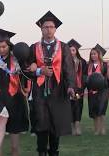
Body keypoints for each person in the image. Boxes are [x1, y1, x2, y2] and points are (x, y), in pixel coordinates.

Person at [29, 11, 75, 156]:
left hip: (58, 89)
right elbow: (27, 70)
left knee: (56, 123)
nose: (48, 29)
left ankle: (54, 151)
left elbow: (69, 69)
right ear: (41, 29)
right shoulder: (33, 47)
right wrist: (39, 71)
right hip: (39, 90)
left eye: (51, 27)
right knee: (41, 122)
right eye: (45, 27)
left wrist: (71, 86)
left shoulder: (64, 47)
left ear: (55, 29)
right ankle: (41, 151)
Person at [0, 29, 33, 156]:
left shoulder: (17, 59)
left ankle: (15, 151)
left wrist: (27, 86)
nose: (1, 49)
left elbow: (26, 74)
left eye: (4, 46)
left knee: (14, 134)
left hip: (15, 98)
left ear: (9, 46)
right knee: (0, 127)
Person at [87, 44, 109, 135]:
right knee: (94, 111)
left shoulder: (104, 65)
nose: (93, 56)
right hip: (92, 91)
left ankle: (103, 129)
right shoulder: (88, 65)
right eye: (91, 54)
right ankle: (96, 130)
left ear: (99, 54)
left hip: (103, 91)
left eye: (94, 54)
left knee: (101, 110)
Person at [67, 39, 87, 136]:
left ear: (76, 51)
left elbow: (85, 75)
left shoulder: (82, 62)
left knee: (78, 105)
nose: (71, 52)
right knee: (69, 107)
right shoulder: (64, 62)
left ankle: (77, 126)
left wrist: (83, 86)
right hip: (68, 88)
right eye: (69, 50)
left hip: (79, 88)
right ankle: (71, 128)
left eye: (73, 50)